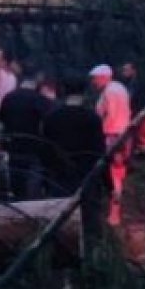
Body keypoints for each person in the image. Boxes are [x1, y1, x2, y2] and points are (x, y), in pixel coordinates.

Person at [42, 76, 106, 238]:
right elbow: (100, 152)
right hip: (86, 179)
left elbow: (45, 151)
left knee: (60, 227)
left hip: (59, 179)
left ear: (63, 90)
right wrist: (106, 182)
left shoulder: (52, 118)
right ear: (84, 92)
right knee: (88, 225)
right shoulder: (92, 118)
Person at [0, 71, 53, 200]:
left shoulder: (8, 97)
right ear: (36, 83)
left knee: (16, 184)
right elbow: (48, 121)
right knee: (32, 187)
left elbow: (1, 120)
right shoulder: (39, 99)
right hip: (34, 150)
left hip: (13, 148)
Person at [90, 64, 132, 226]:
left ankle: (114, 214)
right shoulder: (120, 88)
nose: (93, 82)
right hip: (125, 134)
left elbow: (106, 115)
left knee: (113, 174)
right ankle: (114, 211)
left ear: (103, 77)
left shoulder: (108, 92)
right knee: (119, 173)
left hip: (112, 136)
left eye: (95, 78)